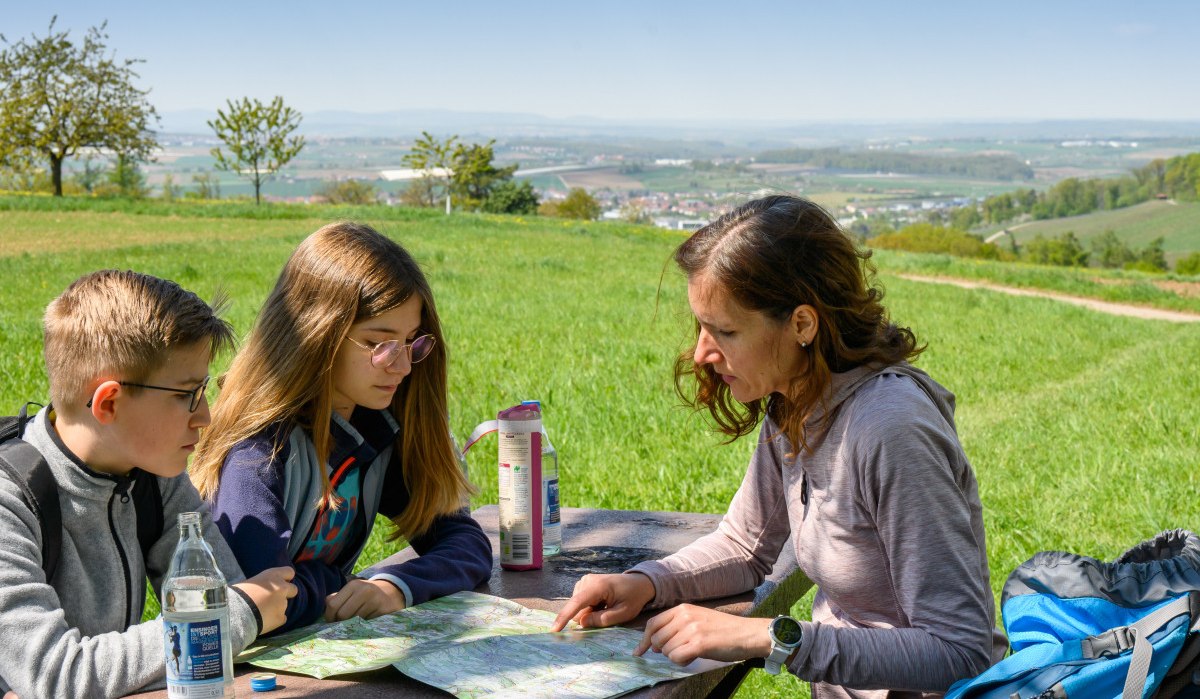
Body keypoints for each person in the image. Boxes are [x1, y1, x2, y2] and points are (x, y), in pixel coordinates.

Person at [552, 195, 1007, 698]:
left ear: (802, 325)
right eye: (701, 326)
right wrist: (646, 582)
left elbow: (958, 652)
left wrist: (771, 638)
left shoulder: (891, 429)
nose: (702, 352)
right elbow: (746, 546)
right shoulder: (796, 399)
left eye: (725, 330)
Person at [0, 270, 297, 698]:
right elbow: (58, 675)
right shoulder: (11, 500)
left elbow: (225, 595)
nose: (206, 417)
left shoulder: (154, 476)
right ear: (109, 403)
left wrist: (228, 616)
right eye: (186, 395)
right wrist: (235, 616)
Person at [192, 221, 492, 634]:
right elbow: (264, 598)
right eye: (378, 343)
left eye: (411, 341)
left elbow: (466, 543)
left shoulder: (376, 431)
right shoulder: (257, 451)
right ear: (315, 334)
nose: (403, 366)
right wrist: (340, 583)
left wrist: (396, 586)